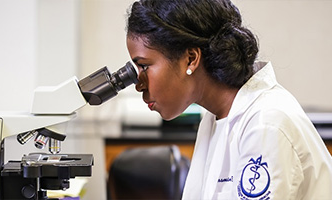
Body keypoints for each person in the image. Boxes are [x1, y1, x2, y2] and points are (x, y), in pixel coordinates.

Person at [125, 0, 332, 199]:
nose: (138, 84)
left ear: (190, 58)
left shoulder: (266, 124)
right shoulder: (216, 117)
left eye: (144, 66)